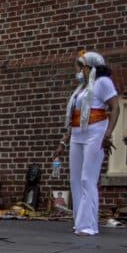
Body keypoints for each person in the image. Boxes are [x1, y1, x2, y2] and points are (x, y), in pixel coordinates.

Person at [52, 50, 120, 236]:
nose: (79, 70)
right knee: (75, 179)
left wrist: (108, 134)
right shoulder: (81, 89)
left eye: (81, 67)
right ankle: (79, 222)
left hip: (95, 133)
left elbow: (115, 107)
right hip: (77, 135)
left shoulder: (102, 82)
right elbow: (75, 119)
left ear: (91, 67)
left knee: (87, 179)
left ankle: (88, 226)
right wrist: (63, 143)